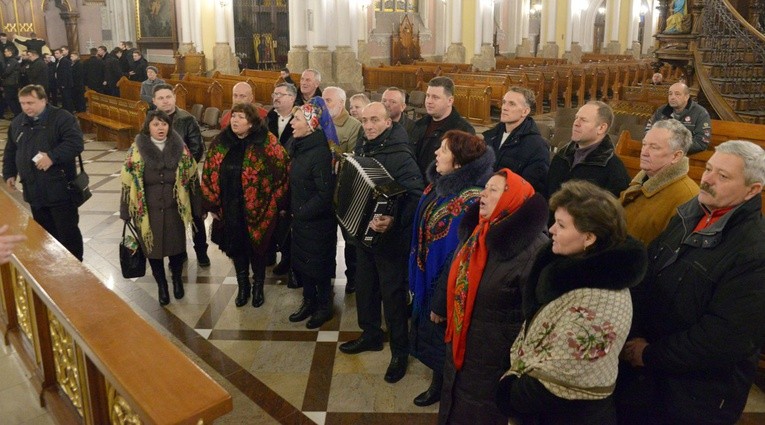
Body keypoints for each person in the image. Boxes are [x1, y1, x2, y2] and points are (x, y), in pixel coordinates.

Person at [617, 140, 765, 425]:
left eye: (723, 176)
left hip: (695, 395)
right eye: (709, 169)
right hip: (649, 379)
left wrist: (649, 354)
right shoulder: (690, 213)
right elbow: (650, 269)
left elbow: (723, 338)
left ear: (753, 190)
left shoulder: (753, 251)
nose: (707, 179)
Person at [496, 180, 648, 425]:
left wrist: (510, 395)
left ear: (588, 237)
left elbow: (562, 378)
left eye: (562, 225)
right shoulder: (571, 269)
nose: (551, 229)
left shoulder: (600, 301)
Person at [437, 169, 548, 424]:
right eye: (484, 188)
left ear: (513, 199)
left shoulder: (533, 252)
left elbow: (536, 320)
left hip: (495, 360)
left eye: (493, 190)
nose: (483, 195)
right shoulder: (478, 233)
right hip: (465, 353)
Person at [408, 130, 495, 407]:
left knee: (443, 337)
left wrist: (440, 300)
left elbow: (459, 258)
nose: (436, 153)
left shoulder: (470, 201)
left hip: (445, 285)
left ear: (458, 163)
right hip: (428, 273)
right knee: (429, 334)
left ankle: (440, 386)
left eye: (443, 150)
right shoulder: (439, 184)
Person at [338, 102, 424, 384]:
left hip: (391, 240)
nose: (368, 126)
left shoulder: (401, 154)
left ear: (389, 122)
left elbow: (414, 197)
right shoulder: (364, 146)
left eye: (374, 120)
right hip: (364, 236)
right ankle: (371, 334)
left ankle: (400, 351)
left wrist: (392, 220)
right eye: (364, 121)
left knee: (393, 296)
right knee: (366, 286)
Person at [201, 103, 289, 308]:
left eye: (240, 117)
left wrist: (277, 202)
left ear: (251, 123)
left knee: (257, 250)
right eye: (233, 116)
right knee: (236, 248)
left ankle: (258, 286)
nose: (235, 121)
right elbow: (209, 172)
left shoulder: (267, 141)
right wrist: (213, 205)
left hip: (259, 209)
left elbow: (282, 169)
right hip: (230, 209)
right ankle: (243, 286)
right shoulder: (221, 142)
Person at [120, 110, 199, 306]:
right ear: (148, 127)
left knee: (176, 250)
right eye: (156, 124)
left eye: (164, 124)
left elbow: (192, 179)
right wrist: (125, 210)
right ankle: (162, 285)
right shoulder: (135, 151)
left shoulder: (181, 148)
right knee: (153, 251)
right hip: (147, 212)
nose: (160, 128)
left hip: (175, 210)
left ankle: (177, 280)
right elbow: (127, 183)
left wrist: (197, 207)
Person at [3, 85, 85, 260]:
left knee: (67, 235)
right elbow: (11, 149)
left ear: (43, 100)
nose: (26, 107)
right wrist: (9, 173)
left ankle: (76, 270)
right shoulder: (18, 122)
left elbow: (76, 143)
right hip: (34, 191)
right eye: (23, 103)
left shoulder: (62, 118)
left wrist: (52, 157)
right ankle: (53, 270)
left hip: (61, 190)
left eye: (30, 102)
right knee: (44, 234)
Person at [286, 97, 338, 328]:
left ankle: (324, 306)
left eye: (296, 119)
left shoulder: (319, 153)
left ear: (311, 124)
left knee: (319, 267)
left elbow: (325, 194)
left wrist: (300, 212)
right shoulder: (300, 147)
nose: (291, 123)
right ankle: (308, 301)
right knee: (304, 264)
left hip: (317, 222)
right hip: (301, 219)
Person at [152, 83, 209, 266]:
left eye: (168, 97)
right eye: (160, 98)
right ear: (154, 101)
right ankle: (178, 252)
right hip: (163, 180)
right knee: (171, 218)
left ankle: (201, 251)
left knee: (195, 215)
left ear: (174, 98)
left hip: (186, 176)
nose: (165, 101)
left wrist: (180, 169)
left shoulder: (186, 119)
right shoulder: (150, 120)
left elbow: (197, 148)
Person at [619, 120, 699, 245]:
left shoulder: (688, 197)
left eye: (654, 147)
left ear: (676, 156)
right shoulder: (641, 180)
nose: (644, 152)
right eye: (644, 144)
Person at [547, 101, 630, 199]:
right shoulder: (562, 156)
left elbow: (610, 211)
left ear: (601, 128)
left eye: (583, 120)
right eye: (576, 118)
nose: (576, 123)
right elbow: (547, 194)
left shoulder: (613, 168)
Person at [322, 86, 360, 292]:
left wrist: (334, 156)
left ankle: (353, 276)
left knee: (349, 238)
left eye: (329, 101)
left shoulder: (354, 126)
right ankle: (326, 274)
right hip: (324, 190)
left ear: (341, 103)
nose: (325, 105)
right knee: (326, 235)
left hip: (345, 191)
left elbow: (352, 160)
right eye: (324, 100)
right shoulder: (320, 124)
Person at [482, 87, 551, 194]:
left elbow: (530, 188)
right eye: (504, 102)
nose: (504, 107)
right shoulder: (491, 136)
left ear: (525, 111)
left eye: (512, 104)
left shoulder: (537, 146)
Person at [410, 77, 475, 175]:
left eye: (435, 97)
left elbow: (462, 171)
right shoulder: (418, 124)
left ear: (450, 100)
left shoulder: (463, 131)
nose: (429, 101)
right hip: (415, 183)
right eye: (427, 96)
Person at [266, 82, 297, 278]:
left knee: (287, 221)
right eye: (274, 93)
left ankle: (289, 259)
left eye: (281, 94)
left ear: (292, 98)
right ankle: (270, 253)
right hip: (269, 178)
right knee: (271, 219)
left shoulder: (300, 118)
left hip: (291, 178)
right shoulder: (268, 118)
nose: (276, 97)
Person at [645, 82, 711, 155]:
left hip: (687, 156)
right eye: (670, 94)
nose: (672, 97)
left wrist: (672, 147)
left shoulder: (700, 113)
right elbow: (649, 131)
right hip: (660, 154)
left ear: (687, 96)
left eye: (677, 94)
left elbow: (701, 143)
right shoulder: (661, 111)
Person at [323, 86, 361, 155]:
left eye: (328, 100)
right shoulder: (318, 122)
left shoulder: (354, 126)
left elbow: (351, 158)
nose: (324, 104)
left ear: (341, 103)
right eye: (323, 101)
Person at [2, 47, 22, 116]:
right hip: (11, 83)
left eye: (5, 51)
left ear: (10, 52)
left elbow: (7, 72)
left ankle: (17, 114)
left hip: (10, 83)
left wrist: (2, 76)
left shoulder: (12, 61)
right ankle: (18, 114)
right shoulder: (11, 60)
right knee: (14, 99)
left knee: (11, 100)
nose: (4, 53)